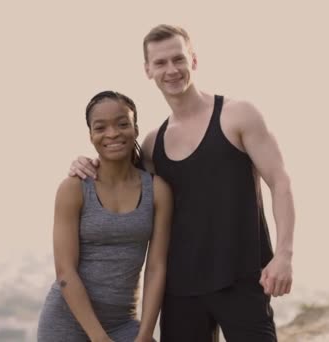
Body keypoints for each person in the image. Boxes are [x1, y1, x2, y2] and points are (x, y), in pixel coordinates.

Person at [69, 25, 295, 341]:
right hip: (180, 291)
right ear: (148, 70)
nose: (171, 70)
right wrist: (84, 163)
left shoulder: (237, 115)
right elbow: (118, 177)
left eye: (178, 59)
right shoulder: (151, 144)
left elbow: (280, 182)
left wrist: (283, 254)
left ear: (193, 60)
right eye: (160, 63)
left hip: (242, 279)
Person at [38, 90, 173, 342]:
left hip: (123, 323)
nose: (112, 134)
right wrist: (99, 338)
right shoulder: (74, 188)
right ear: (91, 135)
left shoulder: (157, 191)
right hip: (67, 323)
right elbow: (65, 272)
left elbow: (156, 267)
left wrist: (144, 334)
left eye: (122, 124)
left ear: (135, 128)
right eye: (101, 127)